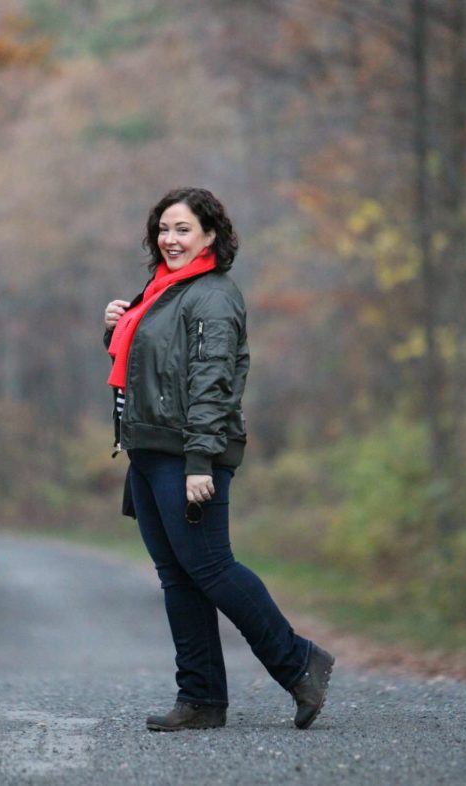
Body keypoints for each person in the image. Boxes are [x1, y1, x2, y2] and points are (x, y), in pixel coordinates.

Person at [103, 187, 334, 731]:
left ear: (210, 235)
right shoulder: (160, 292)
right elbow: (151, 371)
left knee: (210, 567)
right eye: (163, 228)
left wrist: (200, 461)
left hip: (186, 451)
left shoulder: (212, 296)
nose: (170, 239)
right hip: (149, 449)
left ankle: (299, 662)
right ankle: (202, 698)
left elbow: (213, 381)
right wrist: (117, 326)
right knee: (178, 577)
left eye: (183, 229)